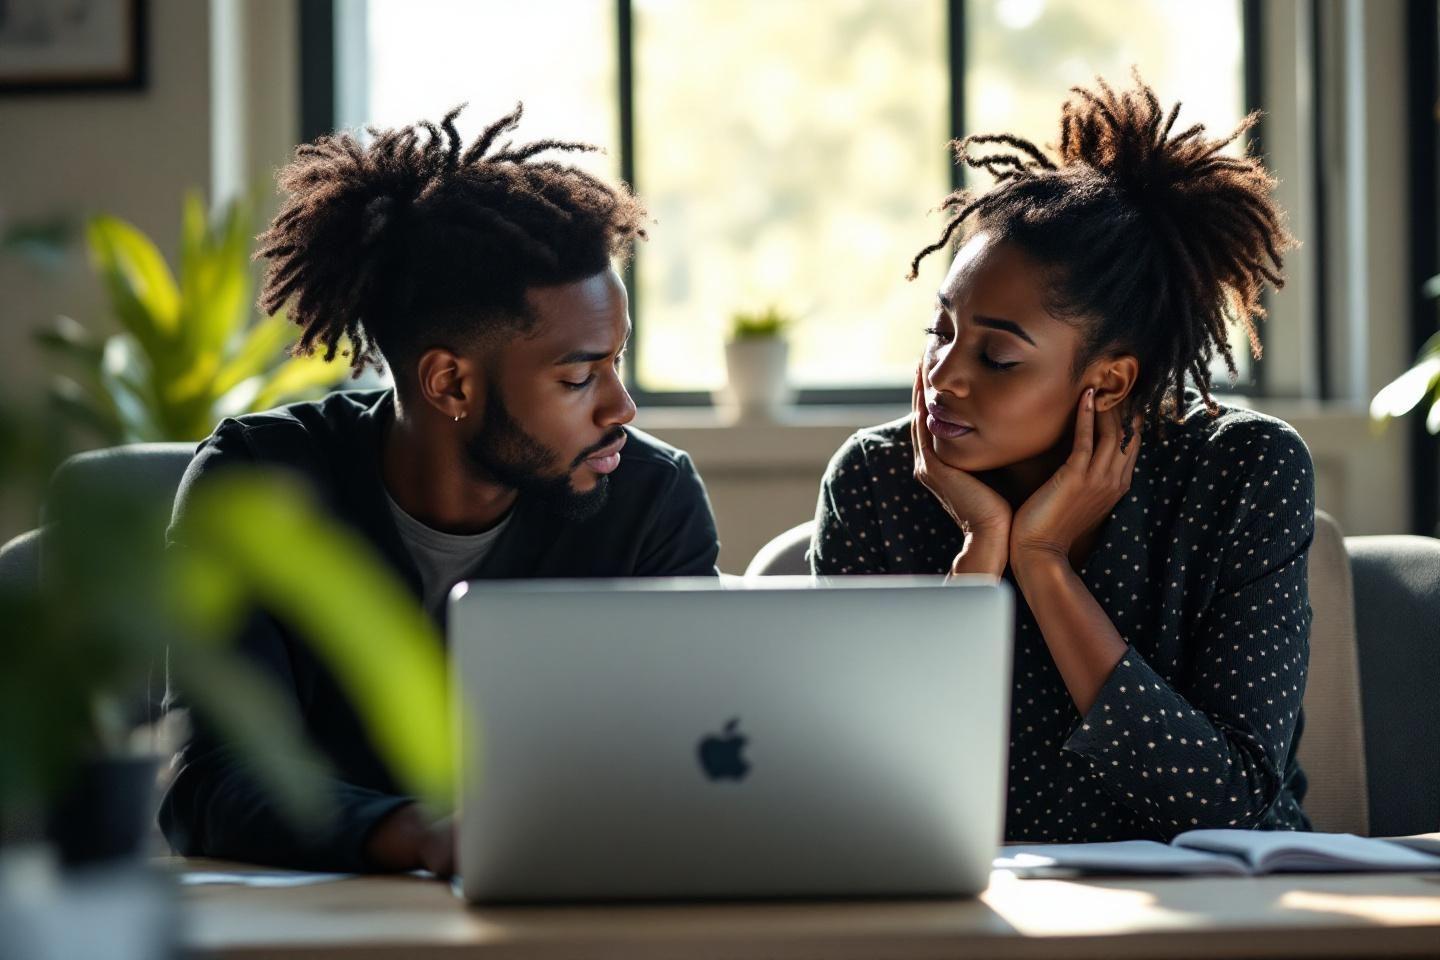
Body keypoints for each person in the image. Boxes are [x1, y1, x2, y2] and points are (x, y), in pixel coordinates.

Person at [160, 105, 720, 874]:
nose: (621, 407)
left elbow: (697, 759)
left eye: (617, 362)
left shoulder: (650, 501)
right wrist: (427, 838)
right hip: (325, 925)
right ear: (450, 382)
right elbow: (210, 782)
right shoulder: (258, 486)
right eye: (579, 376)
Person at [811, 73, 1314, 841]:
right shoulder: (876, 482)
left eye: (998, 357)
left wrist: (1043, 564)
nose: (944, 377)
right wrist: (980, 556)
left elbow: (1229, 805)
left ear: (1110, 381)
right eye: (940, 331)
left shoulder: (1242, 472)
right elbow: (856, 794)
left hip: (1217, 911)